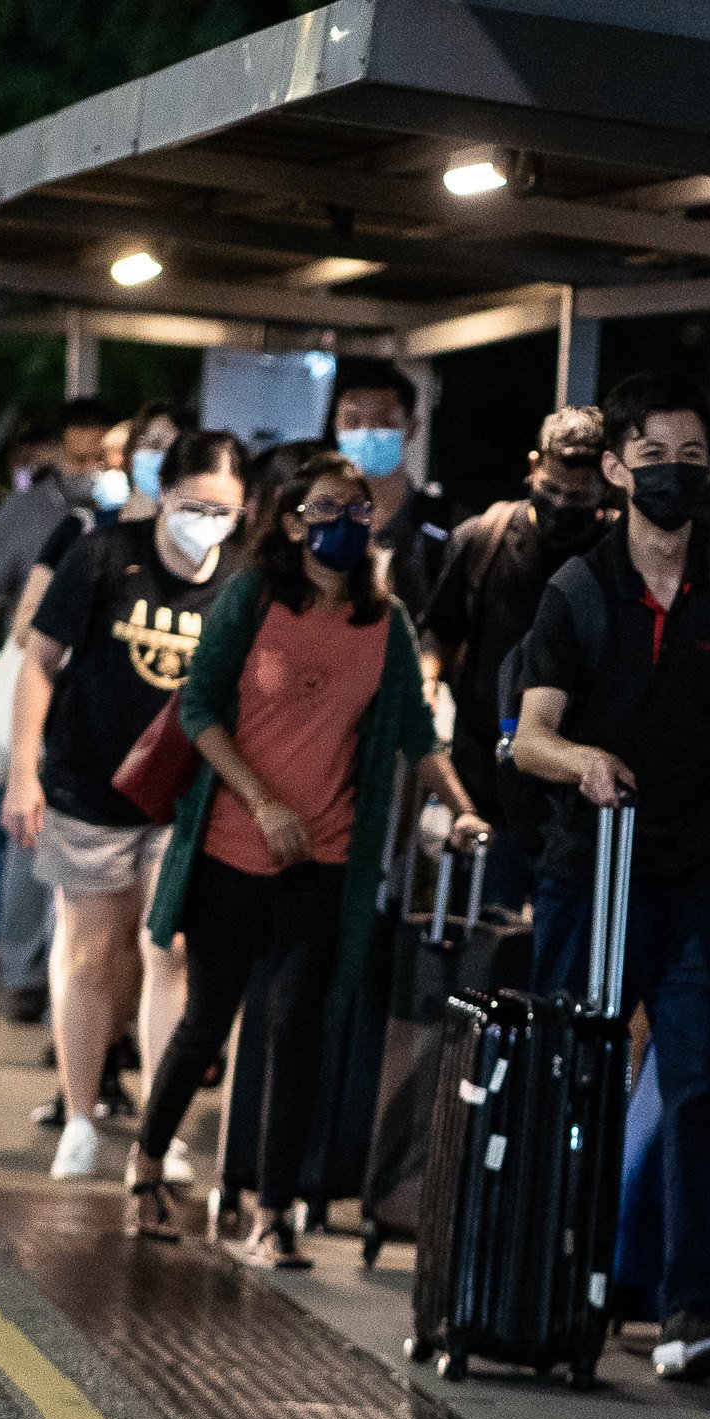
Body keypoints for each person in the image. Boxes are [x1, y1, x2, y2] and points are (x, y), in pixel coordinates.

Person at [509, 370, 710, 1378]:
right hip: (593, 871)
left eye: (693, 460)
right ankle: (549, 1285)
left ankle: (693, 1309)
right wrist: (582, 762)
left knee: (703, 1085)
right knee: (576, 1078)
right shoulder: (578, 589)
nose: (676, 476)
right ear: (615, 469)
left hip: (696, 875)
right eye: (655, 459)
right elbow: (531, 736)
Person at [131, 452, 433, 1258]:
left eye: (359, 511)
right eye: (327, 509)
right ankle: (147, 1162)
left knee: (297, 1026)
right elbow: (198, 706)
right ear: (295, 523)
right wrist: (260, 800)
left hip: (326, 859)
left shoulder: (386, 624)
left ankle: (271, 1213)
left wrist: (470, 811)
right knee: (207, 1021)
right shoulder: (253, 598)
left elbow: (415, 736)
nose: (345, 524)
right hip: (232, 849)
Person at [7, 430, 248, 1181]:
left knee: (168, 950)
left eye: (224, 510)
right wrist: (24, 771)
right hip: (89, 786)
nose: (207, 521)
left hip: (188, 798)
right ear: (161, 493)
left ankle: (159, 1127)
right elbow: (39, 664)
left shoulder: (244, 578)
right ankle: (79, 1118)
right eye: (192, 505)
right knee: (91, 952)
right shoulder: (104, 555)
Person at [0, 399, 117, 1018]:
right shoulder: (39, 518)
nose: (95, 469)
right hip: (44, 703)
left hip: (111, 718)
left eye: (107, 457)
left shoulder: (140, 527)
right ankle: (18, 965)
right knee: (22, 838)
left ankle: (57, 980)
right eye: (82, 458)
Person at [417, 403, 610, 915]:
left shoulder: (618, 555)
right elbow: (438, 631)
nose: (562, 506)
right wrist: (428, 685)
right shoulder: (485, 537)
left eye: (579, 497)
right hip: (483, 794)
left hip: (577, 808)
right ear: (533, 467)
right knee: (478, 952)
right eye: (551, 490)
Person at [326, 361, 442, 598]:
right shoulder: (320, 521)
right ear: (336, 427)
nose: (366, 432)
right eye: (352, 421)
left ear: (411, 428)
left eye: (384, 422)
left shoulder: (443, 527)